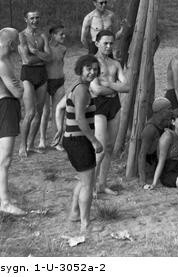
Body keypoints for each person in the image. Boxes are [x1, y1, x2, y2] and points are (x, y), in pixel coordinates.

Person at [63, 55, 103, 232]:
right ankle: (85, 224)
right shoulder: (81, 90)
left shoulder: (77, 86)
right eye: (88, 68)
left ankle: (74, 213)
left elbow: (65, 110)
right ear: (80, 69)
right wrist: (94, 141)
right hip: (79, 141)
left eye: (95, 69)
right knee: (88, 183)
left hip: (74, 139)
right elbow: (79, 118)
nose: (92, 72)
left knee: (83, 178)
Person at [0, 27, 25, 216]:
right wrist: (25, 84)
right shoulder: (1, 63)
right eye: (17, 42)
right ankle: (4, 203)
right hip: (6, 108)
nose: (18, 45)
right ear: (10, 44)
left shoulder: (3, 60)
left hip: (7, 107)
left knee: (3, 158)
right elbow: (17, 92)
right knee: (5, 159)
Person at [90, 29, 130, 195]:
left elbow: (127, 87)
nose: (108, 46)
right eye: (105, 43)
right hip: (98, 106)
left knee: (109, 147)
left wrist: (109, 84)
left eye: (111, 43)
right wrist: (114, 87)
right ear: (97, 43)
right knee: (99, 148)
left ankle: (102, 184)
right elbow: (96, 89)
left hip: (114, 105)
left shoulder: (115, 64)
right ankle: (90, 186)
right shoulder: (91, 62)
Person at [17, 10, 50, 157]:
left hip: (42, 74)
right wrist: (42, 56)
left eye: (37, 17)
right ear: (26, 19)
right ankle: (22, 146)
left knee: (39, 112)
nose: (35, 20)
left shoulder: (43, 35)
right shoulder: (22, 35)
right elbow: (27, 60)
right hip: (28, 74)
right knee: (30, 112)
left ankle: (30, 145)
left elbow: (50, 57)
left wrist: (35, 52)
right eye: (32, 18)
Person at [38, 24, 67, 151]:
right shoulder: (45, 48)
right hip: (45, 82)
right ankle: (42, 140)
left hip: (59, 82)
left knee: (58, 112)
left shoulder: (63, 49)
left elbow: (60, 63)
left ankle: (56, 141)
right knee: (45, 112)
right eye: (61, 34)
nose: (64, 36)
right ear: (53, 35)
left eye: (64, 34)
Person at [136, 97, 173, 184]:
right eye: (169, 109)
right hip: (152, 162)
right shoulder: (150, 129)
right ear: (161, 111)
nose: (172, 111)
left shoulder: (165, 121)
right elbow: (142, 155)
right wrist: (142, 179)